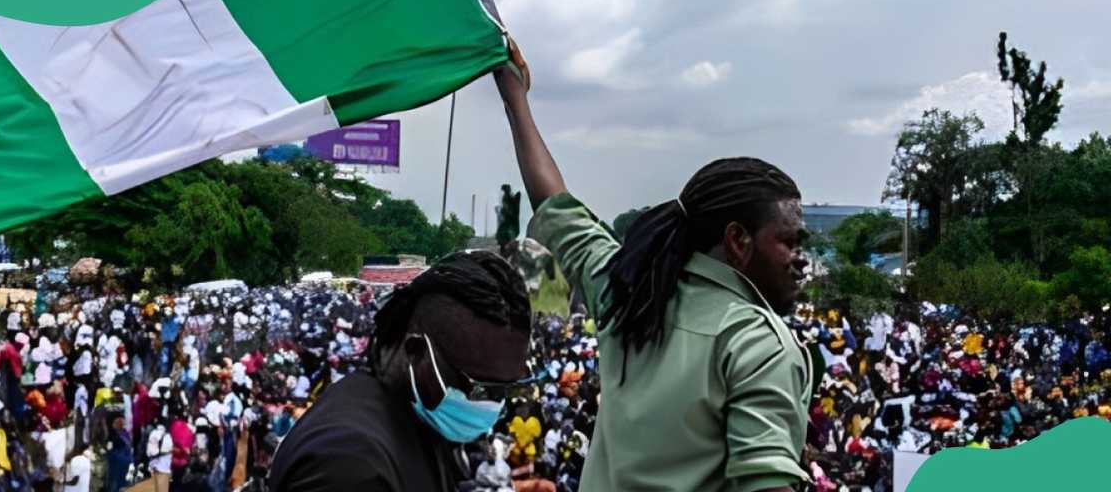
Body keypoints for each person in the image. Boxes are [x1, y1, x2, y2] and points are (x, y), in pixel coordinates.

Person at [495, 40, 813, 492]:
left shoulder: (625, 292)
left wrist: (515, 99)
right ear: (738, 240)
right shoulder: (753, 343)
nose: (800, 259)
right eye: (787, 241)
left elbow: (555, 207)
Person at [268, 251, 533, 491]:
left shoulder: (412, 416)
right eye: (482, 388)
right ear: (417, 353)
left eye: (512, 388)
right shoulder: (348, 466)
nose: (494, 407)